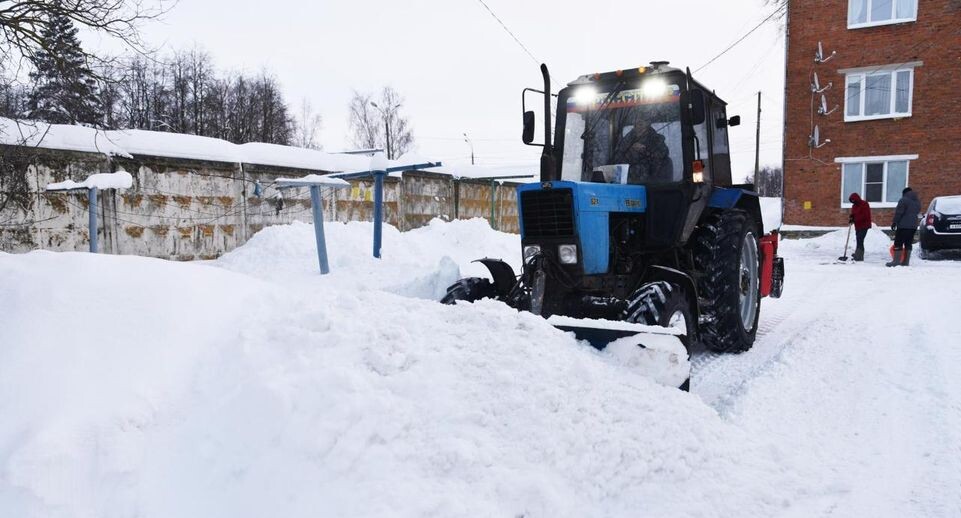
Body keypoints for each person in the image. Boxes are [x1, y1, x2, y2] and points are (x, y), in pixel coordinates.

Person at [611, 111, 671, 183]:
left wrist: (645, 151)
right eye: (638, 121)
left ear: (648, 124)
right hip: (627, 187)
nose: (640, 124)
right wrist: (629, 151)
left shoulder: (657, 142)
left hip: (652, 188)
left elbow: (661, 158)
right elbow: (615, 163)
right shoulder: (624, 143)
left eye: (643, 121)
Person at [887, 187, 921, 267]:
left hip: (903, 226)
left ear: (904, 193)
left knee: (898, 242)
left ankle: (896, 261)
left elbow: (899, 213)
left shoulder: (903, 200)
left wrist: (894, 222)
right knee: (908, 243)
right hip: (913, 226)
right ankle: (906, 262)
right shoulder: (917, 201)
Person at [848, 193, 872, 261]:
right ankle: (858, 254)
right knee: (858, 240)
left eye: (853, 200)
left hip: (864, 225)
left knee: (860, 240)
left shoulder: (864, 204)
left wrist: (854, 219)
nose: (853, 201)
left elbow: (865, 215)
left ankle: (859, 256)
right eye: (851, 200)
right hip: (858, 225)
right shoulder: (854, 206)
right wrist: (851, 218)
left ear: (857, 198)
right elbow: (853, 214)